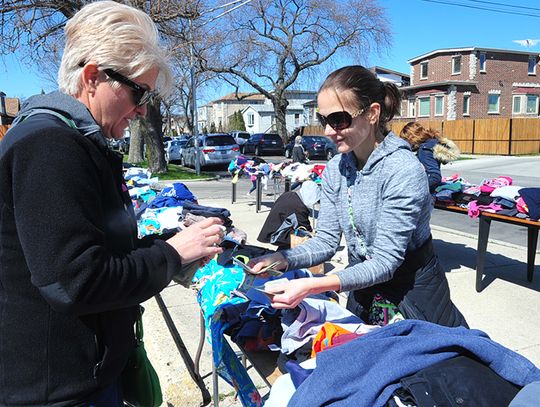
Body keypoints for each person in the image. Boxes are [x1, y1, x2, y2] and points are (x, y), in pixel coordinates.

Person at [0, 2, 225, 405]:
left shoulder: (79, 142)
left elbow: (99, 254)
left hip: (86, 375)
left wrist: (167, 247)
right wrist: (170, 255)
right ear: (92, 77)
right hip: (59, 389)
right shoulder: (50, 145)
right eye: (139, 92)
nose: (142, 109)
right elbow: (76, 282)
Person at [250, 65, 467, 328]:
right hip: (362, 285)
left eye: (338, 119)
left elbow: (386, 262)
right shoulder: (336, 168)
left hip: (413, 290)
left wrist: (313, 285)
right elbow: (327, 242)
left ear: (373, 113)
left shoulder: (403, 170)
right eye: (323, 120)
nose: (329, 130)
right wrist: (283, 259)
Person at [399, 121, 460, 193]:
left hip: (428, 191)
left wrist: (414, 188)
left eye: (406, 140)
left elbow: (434, 176)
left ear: (412, 137)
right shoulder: (431, 143)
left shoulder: (424, 149)